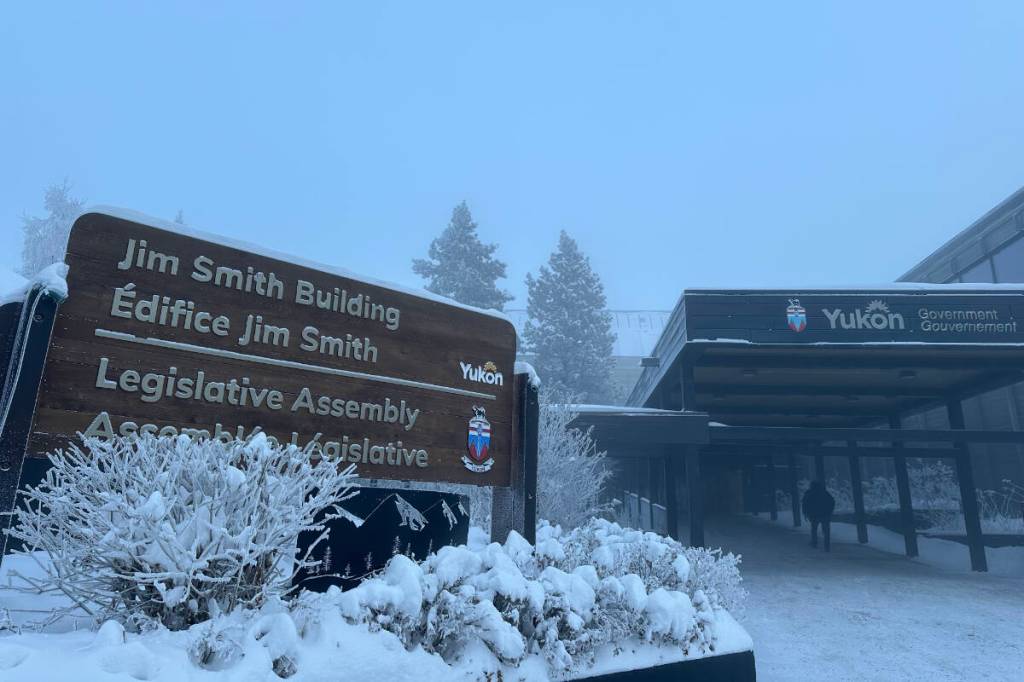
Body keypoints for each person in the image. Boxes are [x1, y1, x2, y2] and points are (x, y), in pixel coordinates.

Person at [802, 480, 836, 551]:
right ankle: (827, 546)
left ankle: (814, 543)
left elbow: (805, 504)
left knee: (814, 529)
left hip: (814, 515)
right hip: (825, 515)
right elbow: (832, 501)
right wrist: (829, 511)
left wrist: (806, 513)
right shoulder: (824, 492)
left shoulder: (809, 493)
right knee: (826, 531)